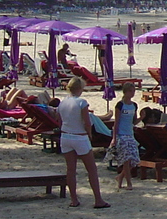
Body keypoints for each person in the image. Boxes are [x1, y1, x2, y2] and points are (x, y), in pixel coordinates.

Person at [57, 77, 109, 209]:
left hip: (66, 136)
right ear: (80, 88)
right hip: (79, 137)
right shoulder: (81, 102)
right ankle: (98, 199)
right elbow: (87, 122)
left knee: (71, 169)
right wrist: (89, 134)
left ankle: (73, 199)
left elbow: (59, 121)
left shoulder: (62, 103)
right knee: (91, 169)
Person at [104, 82, 140, 191]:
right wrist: (114, 138)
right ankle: (128, 183)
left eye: (133, 91)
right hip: (121, 134)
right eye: (130, 91)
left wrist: (142, 118)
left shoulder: (134, 105)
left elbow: (134, 121)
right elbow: (116, 122)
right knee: (126, 159)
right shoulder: (120, 105)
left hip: (130, 134)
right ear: (125, 92)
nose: (132, 93)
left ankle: (120, 177)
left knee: (134, 159)